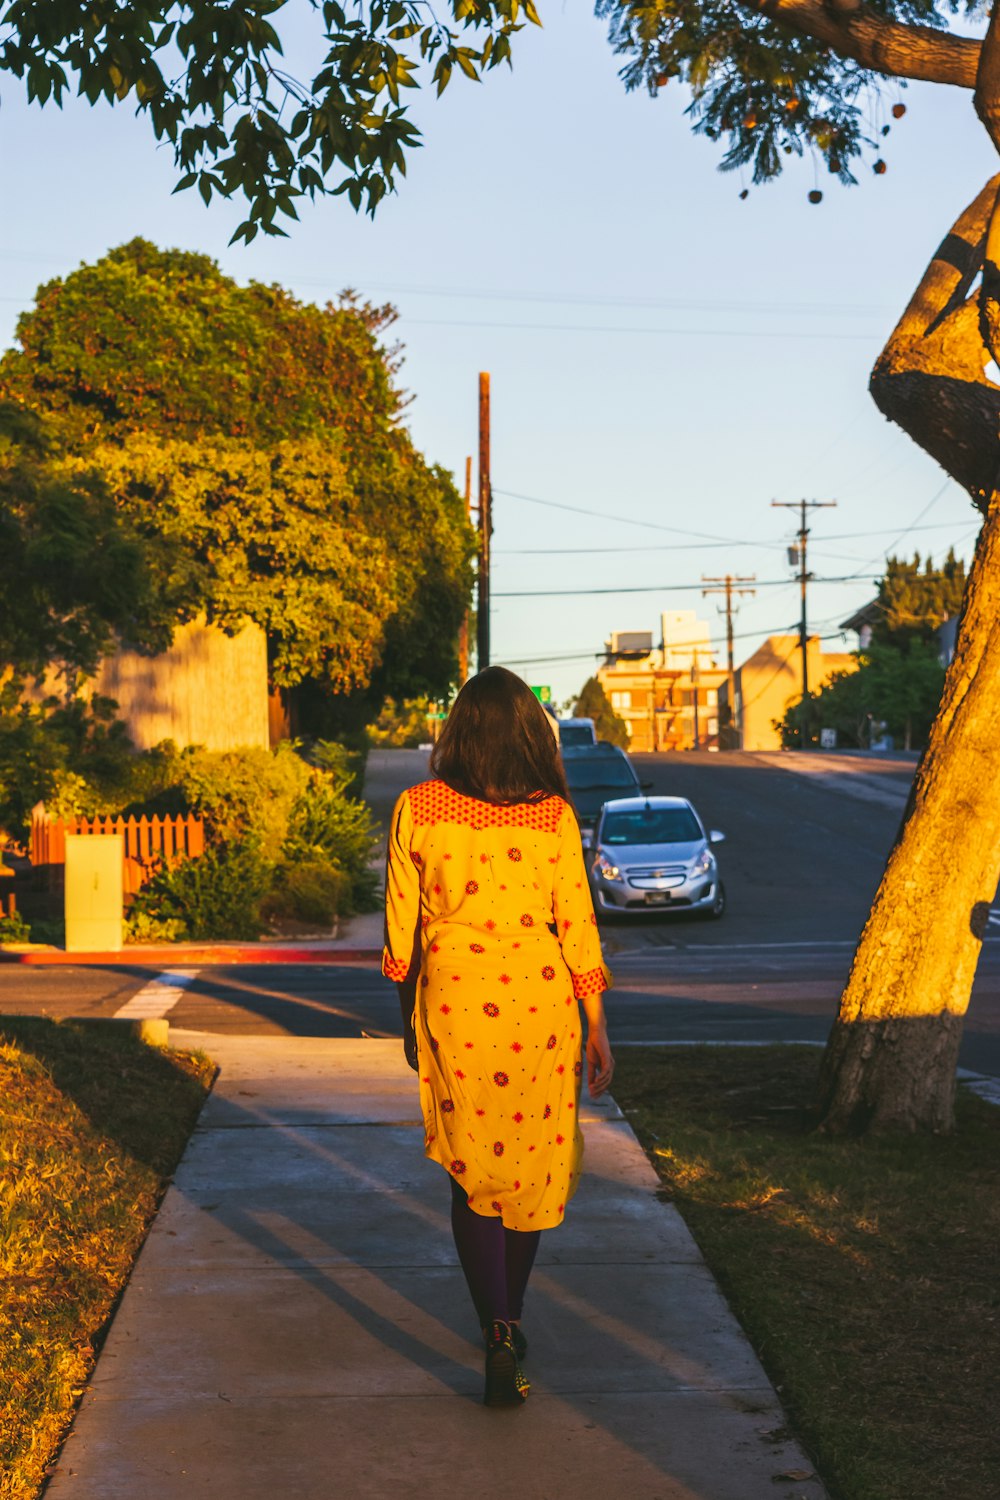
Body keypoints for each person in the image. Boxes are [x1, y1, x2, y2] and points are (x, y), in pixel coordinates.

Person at [382, 666, 615, 1408]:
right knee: (531, 1171)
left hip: (454, 1002)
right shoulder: (552, 817)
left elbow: (400, 932)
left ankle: (497, 1331)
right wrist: (597, 1024)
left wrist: (407, 1017)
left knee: (470, 1168)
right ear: (528, 733)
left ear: (458, 729)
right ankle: (510, 1323)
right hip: (540, 1008)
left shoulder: (415, 807)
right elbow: (576, 922)